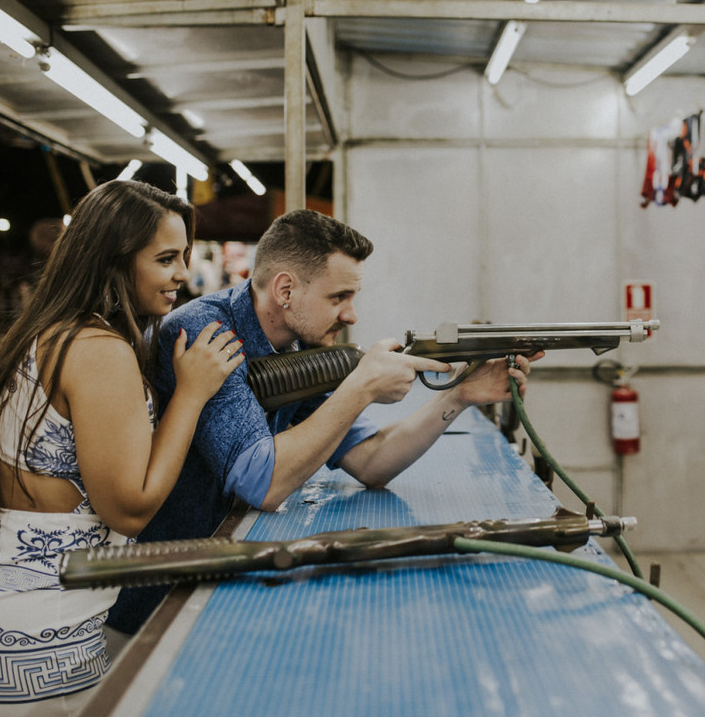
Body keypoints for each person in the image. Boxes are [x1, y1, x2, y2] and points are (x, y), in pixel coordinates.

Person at [108, 209, 541, 634]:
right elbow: (264, 483)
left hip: (219, 583)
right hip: (153, 600)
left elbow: (371, 462)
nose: (351, 315)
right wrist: (360, 388)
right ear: (285, 290)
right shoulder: (205, 333)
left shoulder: (297, 347)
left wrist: (460, 395)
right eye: (339, 298)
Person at [0, 180, 242, 714]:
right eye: (165, 258)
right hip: (38, 636)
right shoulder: (98, 349)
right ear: (113, 260)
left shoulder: (47, 331)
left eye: (183, 256)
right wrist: (193, 394)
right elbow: (128, 508)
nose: (183, 273)